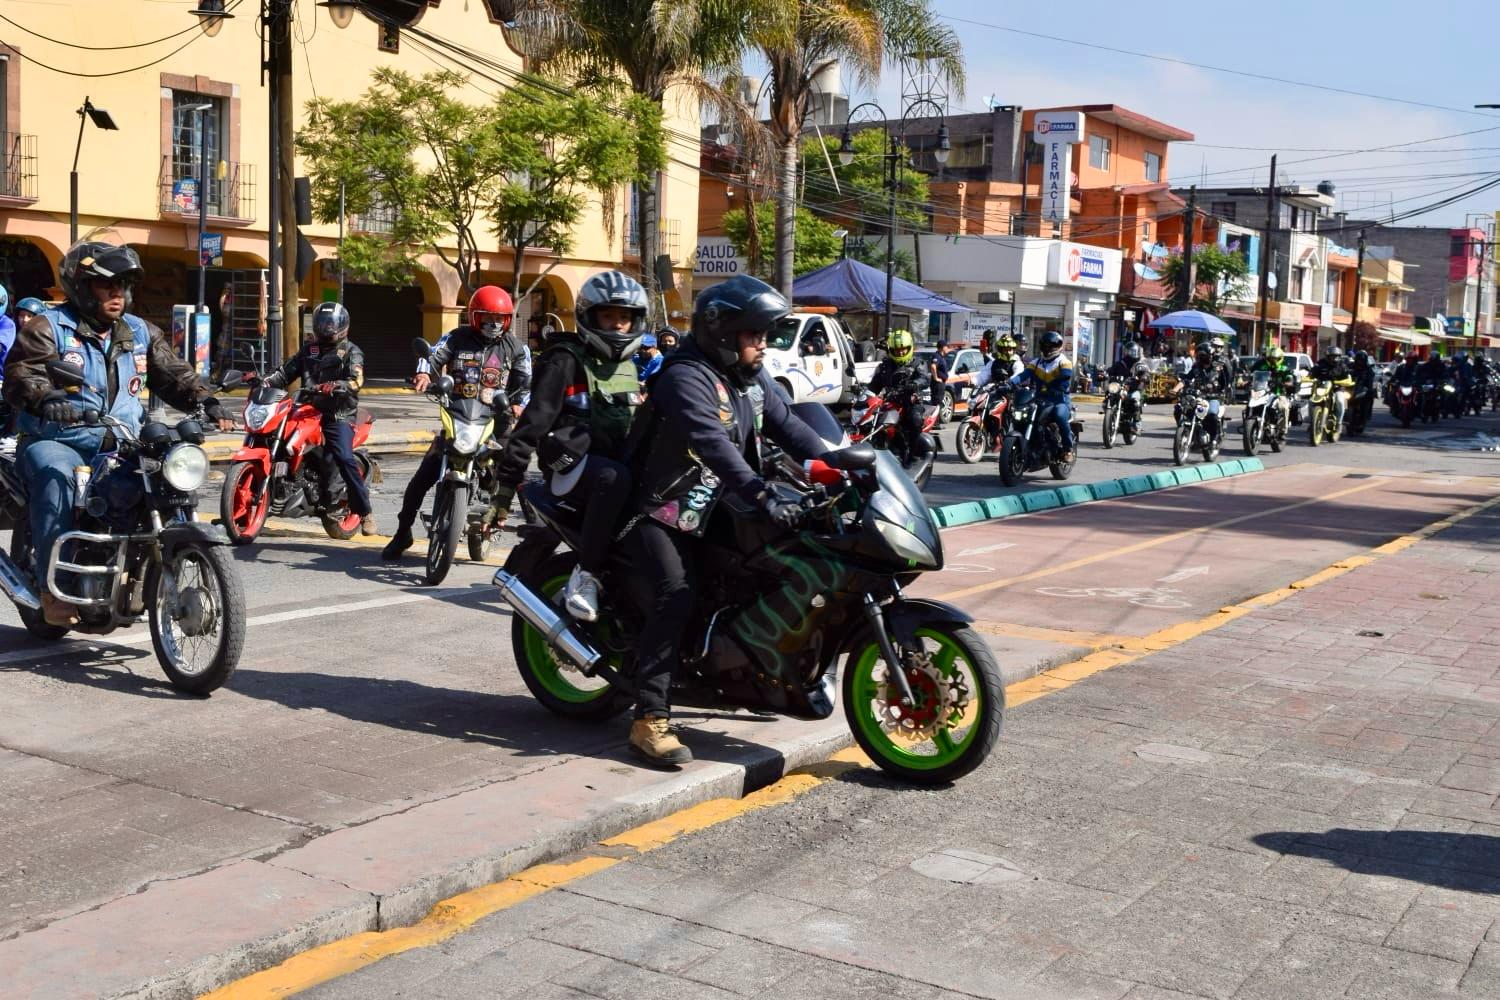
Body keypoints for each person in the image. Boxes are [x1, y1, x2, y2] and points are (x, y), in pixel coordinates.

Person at [625, 275, 829, 767]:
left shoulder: (749, 378)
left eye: (765, 335)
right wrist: (760, 492)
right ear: (724, 334)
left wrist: (841, 460)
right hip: (663, 509)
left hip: (717, 505)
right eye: (755, 335)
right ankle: (649, 717)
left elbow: (790, 425)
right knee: (678, 592)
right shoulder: (685, 376)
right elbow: (712, 443)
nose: (764, 344)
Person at [2, 240, 234, 626]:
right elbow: (22, 373)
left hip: (122, 439)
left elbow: (173, 373)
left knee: (163, 478)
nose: (117, 293)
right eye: (106, 285)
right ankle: (53, 589)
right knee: (58, 480)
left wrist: (206, 401)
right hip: (58, 439)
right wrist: (44, 398)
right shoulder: (49, 327)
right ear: (81, 287)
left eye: (123, 285)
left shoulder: (139, 331)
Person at [488, 270, 649, 621]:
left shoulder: (628, 366)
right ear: (589, 317)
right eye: (608, 316)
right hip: (572, 468)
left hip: (614, 464)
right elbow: (532, 424)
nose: (617, 325)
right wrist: (504, 492)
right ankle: (585, 576)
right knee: (614, 478)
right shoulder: (566, 360)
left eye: (625, 317)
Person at [382, 286, 531, 560]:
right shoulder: (456, 338)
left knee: (516, 473)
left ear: (508, 320)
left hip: (497, 421)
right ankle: (402, 532)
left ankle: (535, 536)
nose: (494, 324)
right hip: (459, 417)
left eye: (499, 318)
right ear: (474, 316)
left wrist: (520, 404)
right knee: (422, 477)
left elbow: (526, 382)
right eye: (488, 318)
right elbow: (432, 355)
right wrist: (424, 375)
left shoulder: (516, 348)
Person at [259, 302, 375, 536]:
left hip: (338, 413)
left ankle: (365, 512)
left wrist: (338, 385)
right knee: (271, 437)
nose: (326, 327)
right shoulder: (309, 350)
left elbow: (356, 380)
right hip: (307, 408)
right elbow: (285, 373)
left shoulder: (351, 351)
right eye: (323, 323)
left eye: (331, 324)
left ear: (342, 325)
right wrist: (265, 381)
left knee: (344, 457)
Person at [1009, 330, 1075, 460]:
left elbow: (1066, 374)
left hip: (1059, 399)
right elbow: (1023, 375)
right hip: (1040, 398)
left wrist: (1056, 383)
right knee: (1025, 415)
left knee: (1059, 415)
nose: (1048, 349)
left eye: (1051, 346)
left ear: (1058, 347)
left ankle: (1068, 449)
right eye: (1045, 346)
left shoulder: (1063, 361)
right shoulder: (1036, 363)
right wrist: (1009, 383)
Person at [866, 329, 931, 459]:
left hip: (911, 401)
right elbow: (874, 385)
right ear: (891, 350)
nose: (900, 352)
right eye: (897, 350)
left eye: (903, 349)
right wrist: (864, 392)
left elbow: (924, 378)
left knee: (914, 419)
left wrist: (915, 384)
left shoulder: (917, 363)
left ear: (909, 348)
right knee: (871, 421)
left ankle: (913, 454)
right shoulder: (885, 366)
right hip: (890, 401)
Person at [1175, 340, 1230, 440]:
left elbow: (1226, 381)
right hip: (1198, 397)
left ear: (1210, 355)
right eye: (1199, 355)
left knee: (1211, 414)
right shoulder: (1196, 368)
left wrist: (1224, 390)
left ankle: (1213, 438)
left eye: (1203, 355)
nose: (1201, 358)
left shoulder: (1219, 367)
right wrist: (1175, 389)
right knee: (1179, 409)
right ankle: (1188, 430)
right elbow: (1187, 378)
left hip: (1214, 397)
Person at [1350, 350, 1377, 427]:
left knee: (1369, 397)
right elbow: (1345, 373)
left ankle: (1366, 416)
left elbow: (1370, 379)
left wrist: (1369, 388)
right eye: (1358, 359)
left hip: (1362, 389)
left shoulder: (1368, 369)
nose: (1360, 361)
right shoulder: (1351, 366)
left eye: (1361, 359)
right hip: (1351, 388)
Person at [929, 340, 953, 410]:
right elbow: (933, 366)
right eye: (947, 347)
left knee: (939, 403)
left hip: (940, 384)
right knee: (937, 404)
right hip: (937, 384)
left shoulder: (941, 356)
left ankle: (937, 416)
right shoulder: (937, 356)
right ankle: (936, 417)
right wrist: (936, 378)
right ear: (943, 347)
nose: (947, 348)